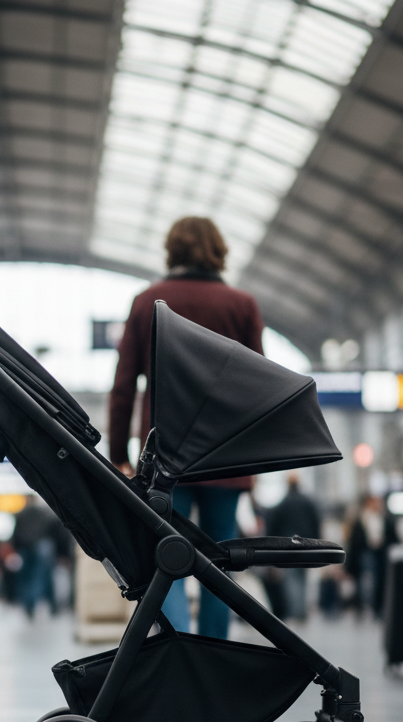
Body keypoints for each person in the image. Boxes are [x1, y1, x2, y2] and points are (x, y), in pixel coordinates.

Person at [108, 216, 264, 638]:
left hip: (165, 457)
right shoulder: (242, 305)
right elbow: (258, 385)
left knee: (165, 558)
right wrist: (255, 458)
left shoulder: (147, 302)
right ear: (219, 251)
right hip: (226, 456)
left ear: (171, 250)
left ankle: (176, 650)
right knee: (219, 563)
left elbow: (124, 386)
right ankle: (214, 653)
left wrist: (119, 456)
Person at [265, 473, 321, 622]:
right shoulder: (307, 501)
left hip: (288, 546)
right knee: (302, 579)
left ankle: (295, 612)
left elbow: (274, 526)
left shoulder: (284, 502)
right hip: (306, 545)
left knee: (291, 580)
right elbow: (316, 523)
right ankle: (301, 611)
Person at [345, 494, 396, 618]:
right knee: (364, 580)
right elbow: (354, 541)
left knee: (379, 580)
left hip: (380, 554)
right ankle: (362, 606)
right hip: (365, 552)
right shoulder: (361, 519)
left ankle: (377, 606)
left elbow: (391, 537)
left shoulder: (384, 518)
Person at [12, 495, 60, 618]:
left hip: (24, 548)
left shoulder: (20, 514)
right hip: (40, 547)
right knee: (40, 577)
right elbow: (53, 531)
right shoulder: (44, 513)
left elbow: (15, 534)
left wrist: (16, 548)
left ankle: (29, 605)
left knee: (26, 578)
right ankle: (45, 603)